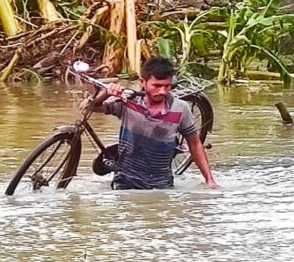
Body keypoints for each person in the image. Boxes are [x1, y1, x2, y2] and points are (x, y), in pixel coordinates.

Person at [90, 57, 218, 190]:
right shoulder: (127, 102)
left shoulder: (180, 108)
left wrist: (209, 180)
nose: (162, 91)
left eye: (166, 86)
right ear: (143, 82)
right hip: (125, 182)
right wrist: (106, 93)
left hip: (162, 184)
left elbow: (195, 144)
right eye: (156, 86)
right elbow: (88, 108)